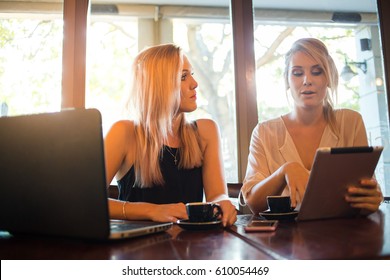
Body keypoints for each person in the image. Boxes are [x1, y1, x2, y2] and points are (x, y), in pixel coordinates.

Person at [241, 38, 383, 216]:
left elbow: (365, 189)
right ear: (287, 81)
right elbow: (254, 203)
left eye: (317, 72)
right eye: (297, 73)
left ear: (329, 78)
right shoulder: (264, 132)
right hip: (284, 239)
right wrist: (285, 170)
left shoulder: (351, 122)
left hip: (341, 235)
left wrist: (372, 197)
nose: (307, 80)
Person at [104, 43, 237, 227]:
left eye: (191, 74)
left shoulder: (206, 131)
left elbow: (217, 195)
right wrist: (152, 211)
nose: (194, 84)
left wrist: (223, 202)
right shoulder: (124, 132)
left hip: (192, 247)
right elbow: (87, 200)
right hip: (138, 250)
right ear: (159, 84)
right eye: (183, 77)